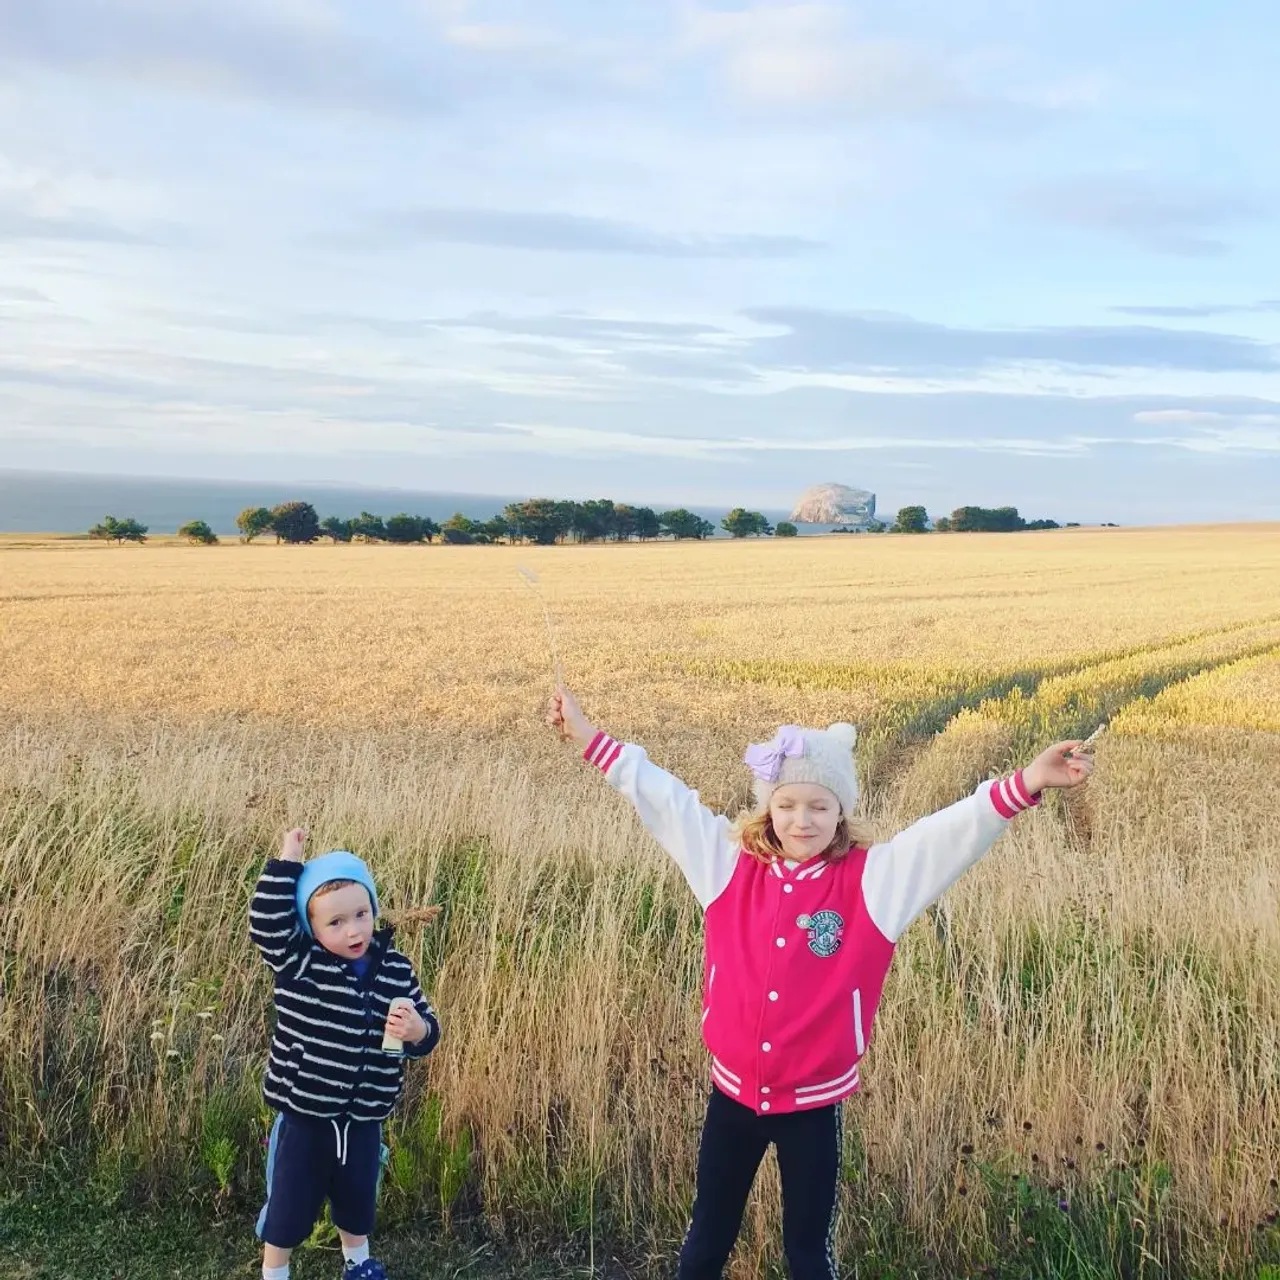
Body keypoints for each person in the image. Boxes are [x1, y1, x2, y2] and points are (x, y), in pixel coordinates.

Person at [547, 687, 1094, 1280]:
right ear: (768, 808)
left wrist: (1028, 781)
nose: (801, 820)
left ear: (841, 813)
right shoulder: (727, 867)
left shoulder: (873, 883)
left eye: (818, 806)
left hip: (813, 1107)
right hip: (731, 1101)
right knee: (705, 1244)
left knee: (808, 1257)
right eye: (786, 805)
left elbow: (945, 837)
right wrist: (586, 737)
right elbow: (663, 798)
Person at [249, 827, 441, 1280]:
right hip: (305, 1113)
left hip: (365, 1114)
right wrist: (287, 861)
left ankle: (359, 1264)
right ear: (310, 928)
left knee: (357, 1198)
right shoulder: (301, 963)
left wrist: (417, 1030)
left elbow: (427, 1028)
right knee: (290, 1204)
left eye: (361, 914)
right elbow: (265, 925)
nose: (353, 929)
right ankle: (275, 1272)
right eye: (335, 922)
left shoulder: (395, 967)